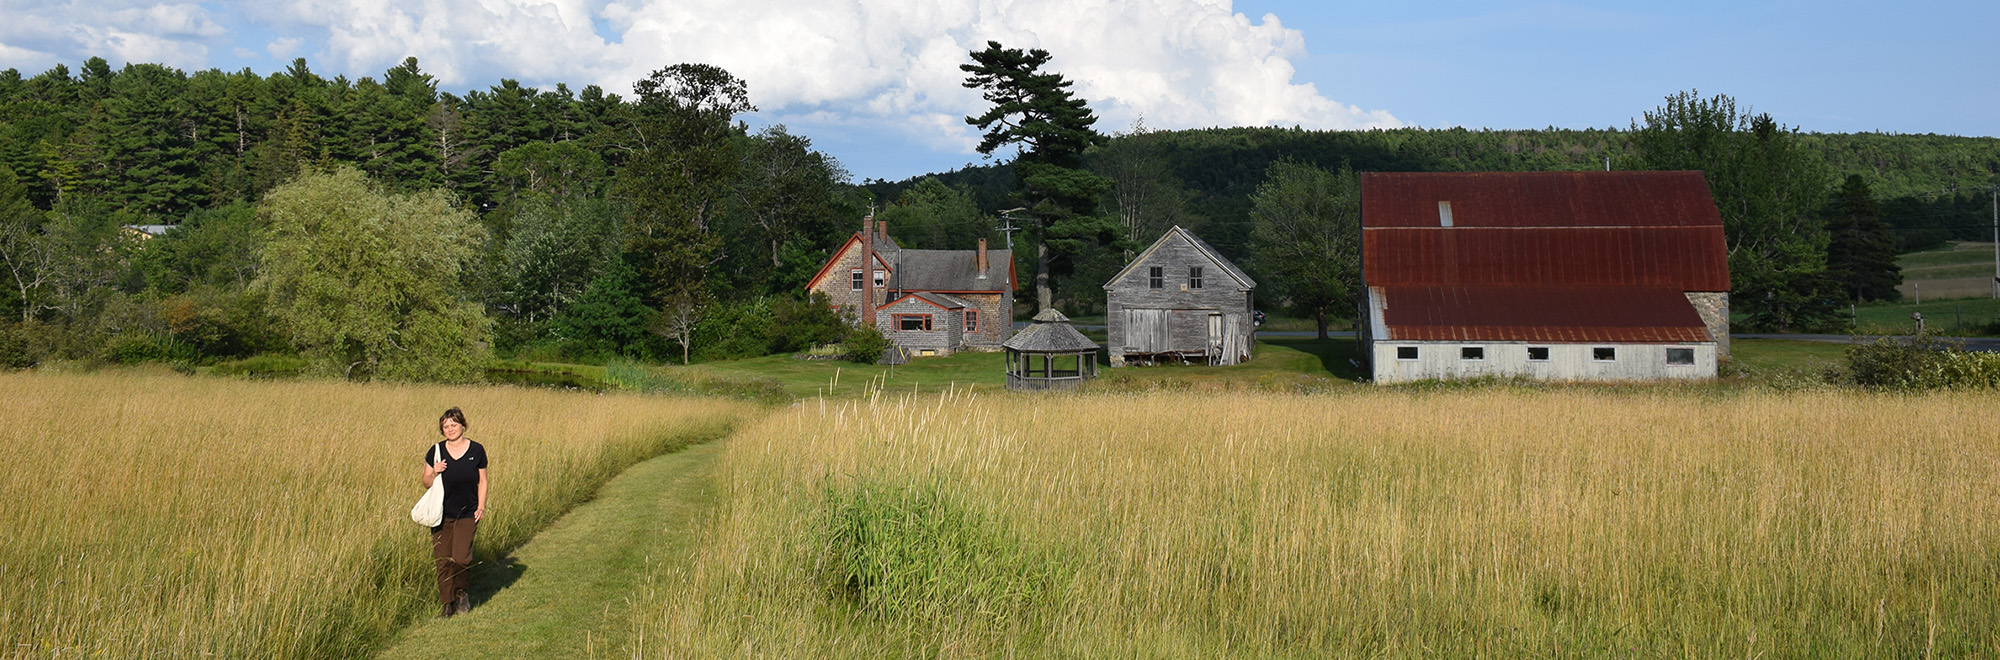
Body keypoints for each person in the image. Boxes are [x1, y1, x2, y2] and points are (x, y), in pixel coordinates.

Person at [421, 407, 488, 617]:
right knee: (442, 561)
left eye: (453, 424)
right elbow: (426, 482)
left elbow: (483, 481)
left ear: (462, 425)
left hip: (468, 512)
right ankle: (447, 604)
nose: (450, 429)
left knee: (460, 559)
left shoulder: (477, 450)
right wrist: (435, 473)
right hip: (441, 514)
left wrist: (481, 506)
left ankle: (461, 592)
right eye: (445, 426)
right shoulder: (436, 451)